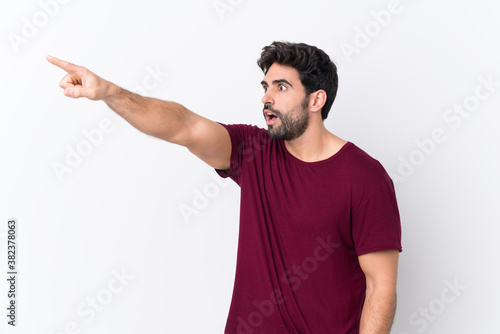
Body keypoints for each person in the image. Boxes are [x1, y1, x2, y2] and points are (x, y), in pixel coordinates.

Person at [47, 41, 402, 334]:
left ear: (315, 100)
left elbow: (380, 287)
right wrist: (109, 92)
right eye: (265, 87)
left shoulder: (365, 178)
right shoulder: (254, 151)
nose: (267, 98)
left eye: (281, 87)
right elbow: (183, 126)